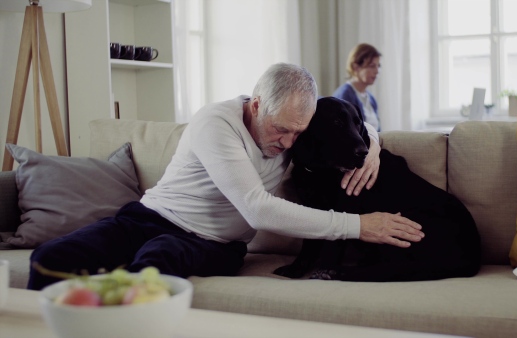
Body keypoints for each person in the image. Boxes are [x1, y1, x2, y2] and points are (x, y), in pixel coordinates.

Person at [27, 63, 423, 290]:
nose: (287, 143)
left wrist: (372, 144)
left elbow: (352, 122)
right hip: (146, 218)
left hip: (216, 244)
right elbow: (257, 209)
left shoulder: (295, 131)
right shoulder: (216, 122)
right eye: (280, 130)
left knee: (157, 259)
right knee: (52, 256)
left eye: (298, 133)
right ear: (255, 106)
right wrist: (358, 226)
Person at [333, 43, 382, 131]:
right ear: (355, 67)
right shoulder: (345, 95)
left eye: (378, 66)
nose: (377, 71)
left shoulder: (371, 98)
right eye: (372, 66)